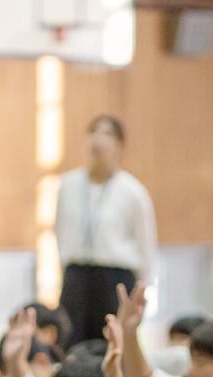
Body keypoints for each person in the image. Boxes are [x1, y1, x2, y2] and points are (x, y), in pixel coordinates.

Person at [55, 115, 157, 347]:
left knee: (113, 348)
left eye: (107, 134)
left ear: (119, 146)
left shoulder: (132, 192)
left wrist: (141, 293)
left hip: (115, 279)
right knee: (72, 347)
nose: (98, 140)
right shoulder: (68, 186)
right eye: (93, 132)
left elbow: (145, 244)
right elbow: (59, 232)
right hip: (76, 277)